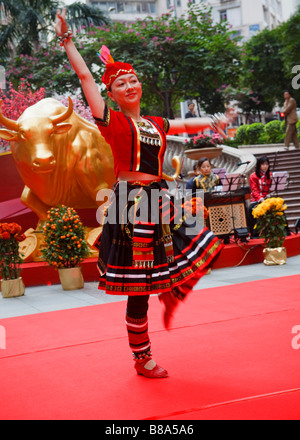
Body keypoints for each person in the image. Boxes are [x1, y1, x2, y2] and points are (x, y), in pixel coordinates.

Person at [54, 8, 236, 379]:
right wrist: (68, 42)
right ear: (112, 94)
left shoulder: (154, 122)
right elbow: (87, 77)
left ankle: (171, 293)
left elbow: (184, 123)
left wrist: (216, 122)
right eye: (121, 84)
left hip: (160, 198)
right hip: (133, 203)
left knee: (203, 246)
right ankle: (143, 358)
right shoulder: (112, 120)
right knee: (139, 287)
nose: (130, 86)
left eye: (133, 80)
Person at [248, 156, 272, 237]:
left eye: (267, 164)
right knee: (250, 210)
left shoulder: (270, 175)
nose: (265, 166)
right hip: (256, 200)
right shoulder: (253, 176)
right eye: (263, 164)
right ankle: (254, 233)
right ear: (259, 165)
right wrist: (261, 199)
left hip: (266, 198)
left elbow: (270, 189)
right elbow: (254, 191)